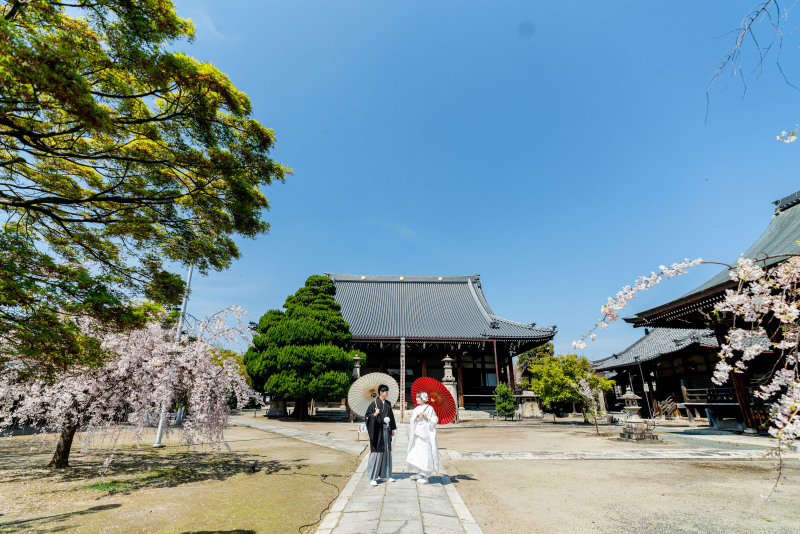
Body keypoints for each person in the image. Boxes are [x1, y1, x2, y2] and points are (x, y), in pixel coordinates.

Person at [365, 384, 397, 486]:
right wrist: (374, 414)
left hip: (386, 430)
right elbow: (367, 417)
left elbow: (391, 416)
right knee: (377, 452)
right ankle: (372, 477)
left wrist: (392, 428)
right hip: (378, 432)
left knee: (387, 451)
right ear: (380, 392)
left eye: (387, 391)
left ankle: (386, 475)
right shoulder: (373, 404)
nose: (386, 393)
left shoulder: (387, 403)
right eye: (385, 392)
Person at [406, 391, 440, 484]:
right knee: (418, 453)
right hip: (418, 434)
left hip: (426, 434)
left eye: (418, 398)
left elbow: (435, 419)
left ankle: (426, 475)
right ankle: (420, 473)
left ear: (423, 399)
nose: (417, 399)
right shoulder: (416, 409)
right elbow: (412, 420)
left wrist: (426, 417)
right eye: (417, 398)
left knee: (426, 453)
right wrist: (415, 417)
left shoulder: (430, 409)